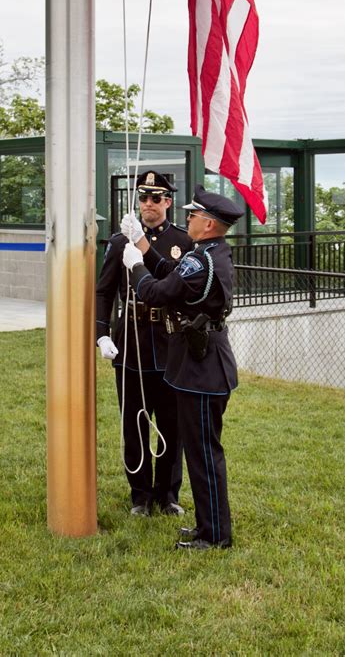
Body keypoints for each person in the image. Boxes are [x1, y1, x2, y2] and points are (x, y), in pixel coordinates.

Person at [121, 183, 244, 551]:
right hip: (201, 365)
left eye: (193, 215)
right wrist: (143, 244)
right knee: (200, 451)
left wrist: (136, 266)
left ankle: (215, 535)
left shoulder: (202, 259)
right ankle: (208, 525)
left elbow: (158, 291)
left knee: (204, 455)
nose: (188, 218)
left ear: (208, 224)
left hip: (201, 369)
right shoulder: (209, 253)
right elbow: (173, 272)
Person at [96, 171, 192, 517]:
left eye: (155, 198)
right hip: (132, 342)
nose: (147, 205)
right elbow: (105, 290)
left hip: (168, 343)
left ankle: (168, 495)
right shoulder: (120, 240)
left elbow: (177, 285)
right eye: (143, 198)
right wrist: (101, 332)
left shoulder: (182, 240)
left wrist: (143, 246)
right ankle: (140, 496)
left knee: (171, 424)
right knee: (134, 424)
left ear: (168, 201)